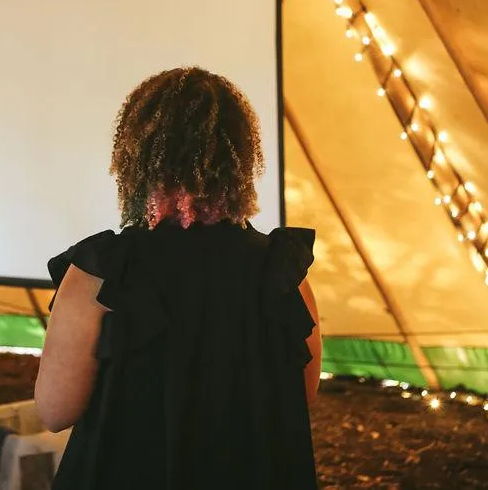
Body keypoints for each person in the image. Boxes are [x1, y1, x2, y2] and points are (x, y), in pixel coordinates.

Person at [35, 67, 321, 489]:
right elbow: (303, 395)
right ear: (240, 158)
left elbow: (55, 410)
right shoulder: (281, 270)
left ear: (136, 157)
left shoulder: (102, 271)